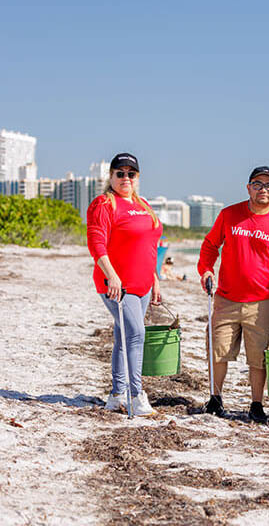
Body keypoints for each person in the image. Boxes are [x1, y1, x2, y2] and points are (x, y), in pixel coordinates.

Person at [197, 166, 269, 423]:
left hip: (262, 302)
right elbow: (210, 246)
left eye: (268, 186)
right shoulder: (230, 215)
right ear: (248, 187)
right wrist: (206, 271)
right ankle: (215, 399)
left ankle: (256, 404)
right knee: (218, 350)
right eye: (257, 184)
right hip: (226, 298)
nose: (262, 190)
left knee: (259, 357)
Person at [86, 152, 162, 416]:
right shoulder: (104, 204)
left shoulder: (143, 205)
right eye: (120, 173)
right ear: (111, 176)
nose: (125, 178)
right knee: (136, 334)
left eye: (131, 174)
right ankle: (136, 395)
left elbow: (149, 245)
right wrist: (112, 275)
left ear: (137, 177)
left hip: (143, 285)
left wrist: (154, 277)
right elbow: (96, 244)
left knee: (122, 336)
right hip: (117, 285)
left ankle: (117, 394)